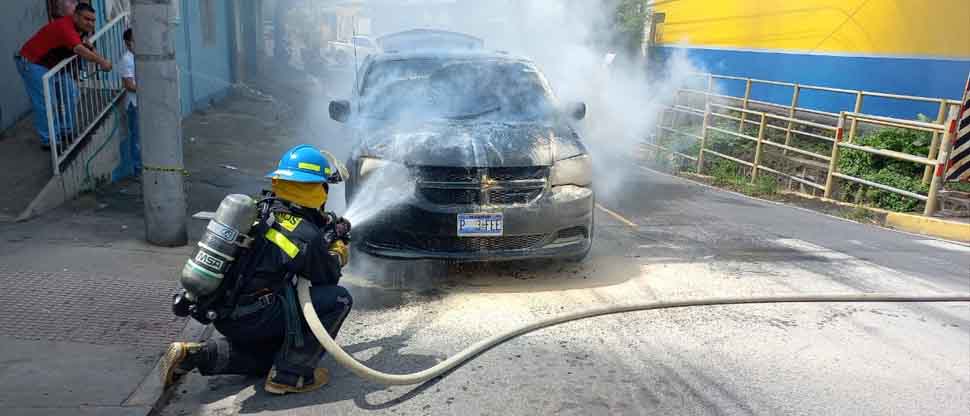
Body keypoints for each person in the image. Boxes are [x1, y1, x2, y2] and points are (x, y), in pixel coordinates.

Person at [160, 145, 354, 395]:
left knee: (271, 355)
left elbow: (282, 240)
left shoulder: (259, 207)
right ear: (317, 188)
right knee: (339, 299)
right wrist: (337, 251)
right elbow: (326, 277)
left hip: (222, 312)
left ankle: (195, 356)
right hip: (255, 316)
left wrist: (322, 229)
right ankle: (290, 376)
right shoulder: (306, 235)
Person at [15, 3, 112, 149]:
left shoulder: (80, 28)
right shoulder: (65, 28)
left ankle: (65, 130)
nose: (90, 23)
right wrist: (102, 62)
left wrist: (100, 58)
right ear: (75, 16)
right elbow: (80, 49)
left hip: (53, 65)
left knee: (71, 93)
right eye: (87, 19)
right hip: (33, 63)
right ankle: (49, 140)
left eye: (93, 20)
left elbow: (86, 45)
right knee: (47, 103)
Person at [118, 28, 141, 176]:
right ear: (127, 43)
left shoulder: (140, 57)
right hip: (135, 104)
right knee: (137, 138)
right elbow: (128, 85)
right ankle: (138, 169)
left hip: (144, 103)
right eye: (134, 40)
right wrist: (148, 90)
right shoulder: (127, 59)